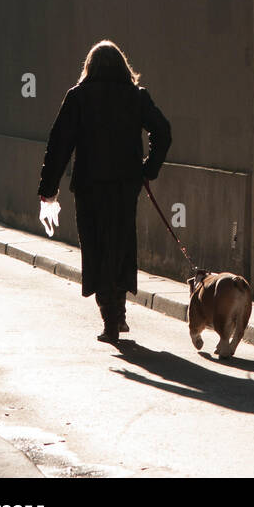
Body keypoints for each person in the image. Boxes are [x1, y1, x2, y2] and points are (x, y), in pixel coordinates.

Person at [38, 41, 171, 344]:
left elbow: (59, 144)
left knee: (96, 247)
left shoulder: (79, 97)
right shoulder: (136, 97)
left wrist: (49, 187)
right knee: (120, 245)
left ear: (89, 67)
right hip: (125, 186)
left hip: (89, 186)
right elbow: (162, 130)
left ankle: (109, 318)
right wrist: (148, 169)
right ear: (123, 67)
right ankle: (119, 313)